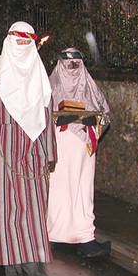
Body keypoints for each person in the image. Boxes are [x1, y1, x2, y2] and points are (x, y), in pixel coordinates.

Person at [0, 21, 57, 276]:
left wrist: (50, 153)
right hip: (1, 152)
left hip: (33, 152)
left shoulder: (40, 79)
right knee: (5, 210)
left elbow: (48, 116)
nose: (23, 48)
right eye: (18, 42)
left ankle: (32, 263)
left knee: (34, 209)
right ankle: (11, 266)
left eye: (28, 43)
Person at [47, 48, 111, 258]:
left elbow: (104, 114)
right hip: (59, 146)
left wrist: (90, 121)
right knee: (58, 190)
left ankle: (85, 238)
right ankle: (53, 235)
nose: (72, 68)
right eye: (68, 64)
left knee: (83, 191)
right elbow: (39, 116)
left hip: (83, 147)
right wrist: (60, 119)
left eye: (76, 63)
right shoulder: (50, 86)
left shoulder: (90, 87)